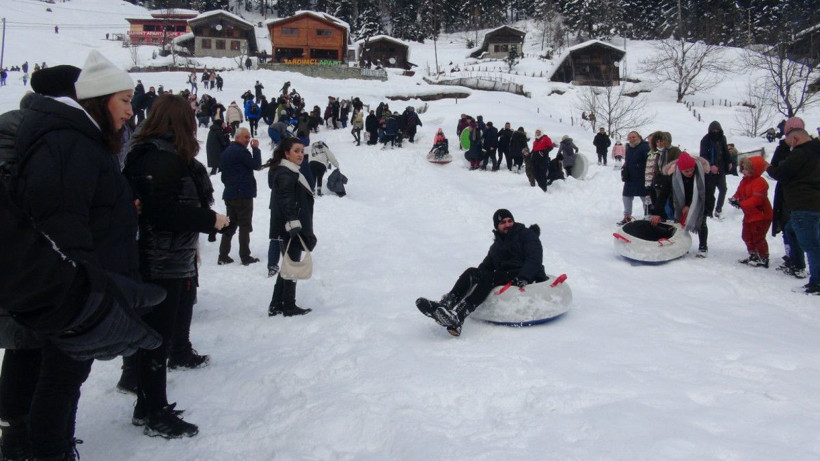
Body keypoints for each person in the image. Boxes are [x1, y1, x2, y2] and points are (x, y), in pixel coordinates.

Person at [8, 50, 163, 460]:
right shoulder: (68, 142)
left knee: (62, 377)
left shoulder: (80, 139)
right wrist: (89, 287)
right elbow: (60, 222)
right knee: (60, 379)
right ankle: (50, 452)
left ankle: (47, 447)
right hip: (74, 291)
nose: (132, 110)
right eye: (125, 100)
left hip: (82, 285)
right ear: (97, 99)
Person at [122, 94, 230, 439]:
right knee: (156, 338)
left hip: (169, 257)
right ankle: (154, 411)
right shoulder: (158, 158)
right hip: (160, 260)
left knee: (157, 336)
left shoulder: (159, 154)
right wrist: (209, 219)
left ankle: (147, 404)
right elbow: (162, 211)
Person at [416, 209, 548, 336]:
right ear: (497, 226)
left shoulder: (526, 235)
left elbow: (534, 258)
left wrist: (524, 276)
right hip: (505, 275)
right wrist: (476, 277)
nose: (507, 224)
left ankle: (459, 315)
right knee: (472, 272)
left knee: (490, 277)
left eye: (509, 221)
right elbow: (486, 266)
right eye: (503, 223)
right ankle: (445, 305)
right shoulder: (496, 246)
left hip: (524, 275)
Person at [766, 117, 820, 295]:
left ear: (795, 139)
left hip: (804, 204)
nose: (789, 147)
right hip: (813, 203)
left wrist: (768, 167)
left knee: (811, 245)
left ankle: (816, 283)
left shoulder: (800, 152)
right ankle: (797, 263)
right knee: (790, 230)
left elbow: (782, 173)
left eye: (790, 143)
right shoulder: (816, 149)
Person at [267, 137, 317, 316]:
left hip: (289, 226)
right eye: (296, 151)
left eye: (302, 151)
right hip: (291, 228)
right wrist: (293, 223)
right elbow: (286, 200)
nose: (300, 155)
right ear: (286, 153)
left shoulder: (290, 172)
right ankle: (288, 305)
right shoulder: (286, 173)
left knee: (288, 266)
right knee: (292, 265)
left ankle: (276, 304)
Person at [649, 152, 711, 257]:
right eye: (686, 171)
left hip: (700, 202)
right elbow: (663, 194)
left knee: (701, 223)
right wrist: (657, 212)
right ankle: (682, 245)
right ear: (680, 169)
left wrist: (689, 205)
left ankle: (703, 247)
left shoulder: (701, 173)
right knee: (679, 224)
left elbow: (704, 192)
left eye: (691, 169)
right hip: (678, 203)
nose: (690, 172)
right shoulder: (672, 175)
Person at [219, 128, 262, 266]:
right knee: (244, 226)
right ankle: (245, 256)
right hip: (242, 194)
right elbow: (256, 165)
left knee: (230, 225)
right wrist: (256, 149)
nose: (248, 140)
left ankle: (223, 255)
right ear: (237, 138)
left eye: (249, 137)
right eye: (245, 137)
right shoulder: (241, 152)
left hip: (230, 193)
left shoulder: (226, 152)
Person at [729, 156, 773, 268]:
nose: (743, 170)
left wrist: (741, 204)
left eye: (746, 168)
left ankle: (763, 257)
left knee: (758, 237)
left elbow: (757, 199)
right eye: (743, 168)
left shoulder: (760, 182)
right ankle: (753, 254)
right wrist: (735, 198)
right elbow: (739, 192)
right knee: (746, 236)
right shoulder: (745, 180)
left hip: (761, 215)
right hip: (750, 214)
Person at [699, 121, 733, 219]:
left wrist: (729, 161)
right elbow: (703, 156)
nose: (715, 132)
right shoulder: (705, 140)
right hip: (709, 171)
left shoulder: (722, 138)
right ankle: (709, 211)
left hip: (721, 168)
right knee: (710, 191)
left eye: (717, 130)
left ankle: (718, 209)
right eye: (713, 130)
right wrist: (711, 165)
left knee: (723, 189)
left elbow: (725, 151)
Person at [618, 131, 649, 226]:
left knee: (645, 198)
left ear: (639, 137)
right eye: (630, 137)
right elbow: (628, 160)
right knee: (626, 197)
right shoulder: (628, 147)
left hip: (642, 177)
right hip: (630, 177)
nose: (631, 139)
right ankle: (627, 216)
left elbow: (649, 161)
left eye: (633, 137)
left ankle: (647, 216)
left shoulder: (645, 146)